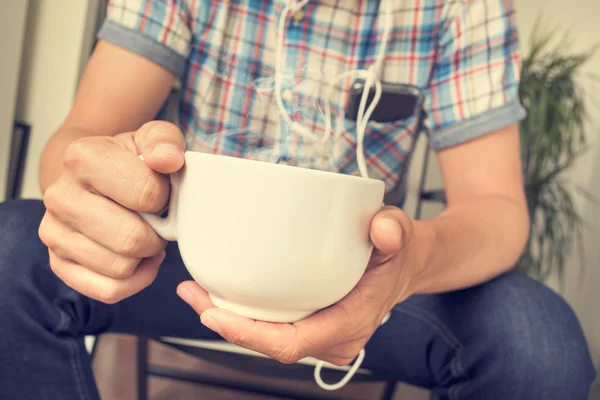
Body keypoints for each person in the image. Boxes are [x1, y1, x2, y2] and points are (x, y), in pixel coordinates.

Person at [0, 0, 596, 398]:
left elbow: (497, 207)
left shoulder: (461, 8)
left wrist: (410, 262)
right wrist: (105, 191)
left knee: (539, 342)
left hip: (365, 284)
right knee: (9, 251)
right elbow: (78, 143)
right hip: (190, 266)